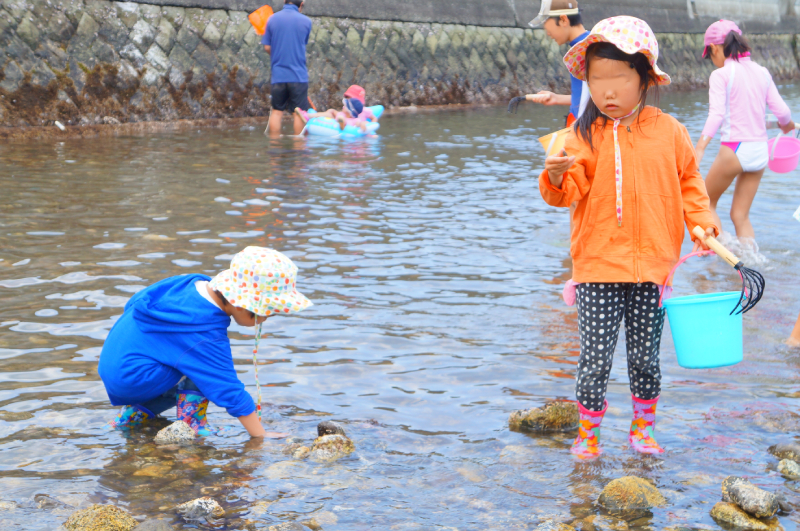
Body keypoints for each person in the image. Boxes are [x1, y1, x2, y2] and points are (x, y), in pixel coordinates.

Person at [540, 17, 718, 458]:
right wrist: (556, 174)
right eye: (598, 80)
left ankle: (642, 430)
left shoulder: (670, 131)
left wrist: (703, 224)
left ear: (645, 77)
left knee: (645, 358)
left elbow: (691, 184)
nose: (608, 92)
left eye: (620, 78)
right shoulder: (580, 135)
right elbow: (566, 195)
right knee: (595, 360)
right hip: (598, 266)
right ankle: (588, 435)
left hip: (654, 267)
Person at [99, 247, 312, 438]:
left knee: (183, 358)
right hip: (134, 380)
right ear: (240, 304)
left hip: (118, 369)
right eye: (265, 313)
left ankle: (135, 415)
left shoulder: (188, 284)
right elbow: (226, 387)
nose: (264, 320)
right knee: (203, 367)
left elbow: (132, 304)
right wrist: (260, 434)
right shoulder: (202, 331)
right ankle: (193, 424)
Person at [694, 20, 794, 254]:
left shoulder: (721, 75)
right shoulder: (762, 72)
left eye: (710, 55)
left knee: (706, 202)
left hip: (735, 149)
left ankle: (715, 260)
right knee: (740, 214)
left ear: (715, 49)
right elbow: (784, 114)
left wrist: (699, 148)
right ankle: (751, 262)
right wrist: (787, 126)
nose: (712, 61)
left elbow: (716, 115)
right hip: (760, 150)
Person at [528, 0, 590, 127]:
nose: (547, 32)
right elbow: (588, 96)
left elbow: (601, 99)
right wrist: (556, 98)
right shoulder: (584, 46)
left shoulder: (588, 49)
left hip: (583, 131)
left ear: (563, 20)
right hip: (579, 128)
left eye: (545, 21)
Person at [263, 0, 313, 136]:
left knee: (277, 112)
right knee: (299, 113)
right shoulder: (306, 22)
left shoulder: (272, 20)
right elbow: (301, 43)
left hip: (279, 76)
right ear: (301, 3)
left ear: (285, 1)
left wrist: (277, 52)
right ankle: (298, 149)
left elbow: (267, 46)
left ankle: (274, 149)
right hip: (298, 76)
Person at [297, 85, 378, 132]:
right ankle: (308, 116)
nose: (346, 101)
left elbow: (374, 119)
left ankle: (341, 123)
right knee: (332, 111)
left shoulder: (365, 111)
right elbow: (344, 113)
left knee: (337, 115)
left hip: (351, 123)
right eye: (346, 98)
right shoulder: (346, 108)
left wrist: (368, 126)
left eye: (349, 98)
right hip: (344, 117)